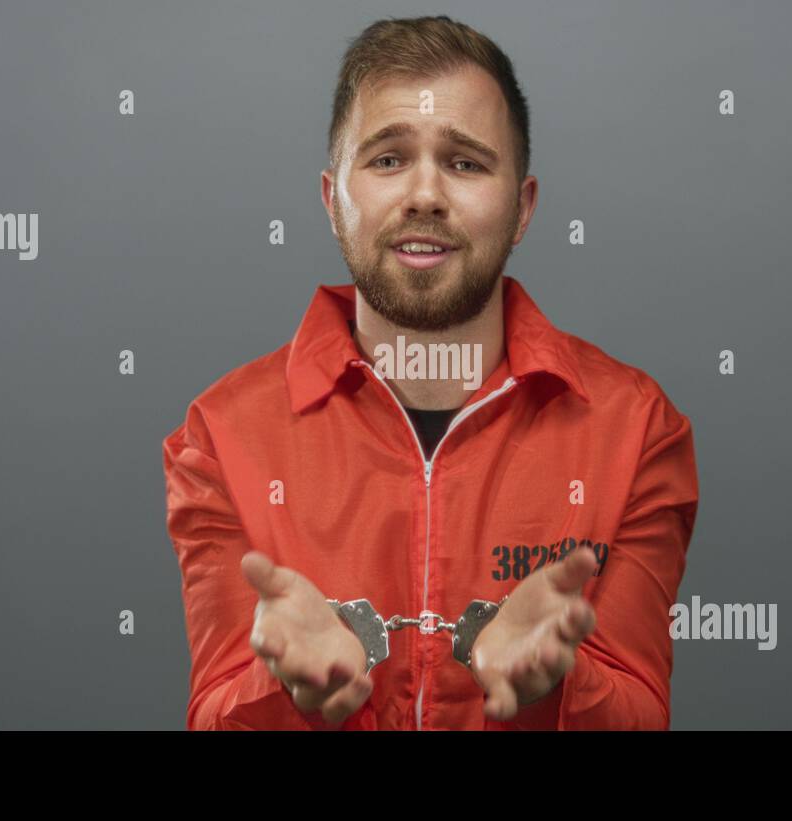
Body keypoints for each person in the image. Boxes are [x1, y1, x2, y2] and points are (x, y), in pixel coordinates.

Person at [163, 15, 699, 730]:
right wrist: (288, 689)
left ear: (521, 209)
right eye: (387, 160)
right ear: (332, 201)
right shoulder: (220, 436)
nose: (424, 195)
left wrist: (561, 681)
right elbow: (211, 714)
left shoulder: (635, 428)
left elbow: (642, 712)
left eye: (466, 163)